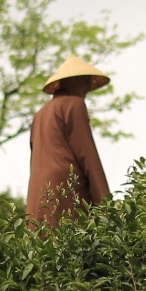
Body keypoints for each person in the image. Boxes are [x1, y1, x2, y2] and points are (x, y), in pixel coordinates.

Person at [27, 56, 113, 228]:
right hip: (65, 186)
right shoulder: (75, 104)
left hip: (38, 190)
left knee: (41, 243)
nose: (88, 86)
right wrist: (105, 204)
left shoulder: (40, 114)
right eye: (85, 80)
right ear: (71, 81)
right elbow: (86, 153)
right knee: (72, 241)